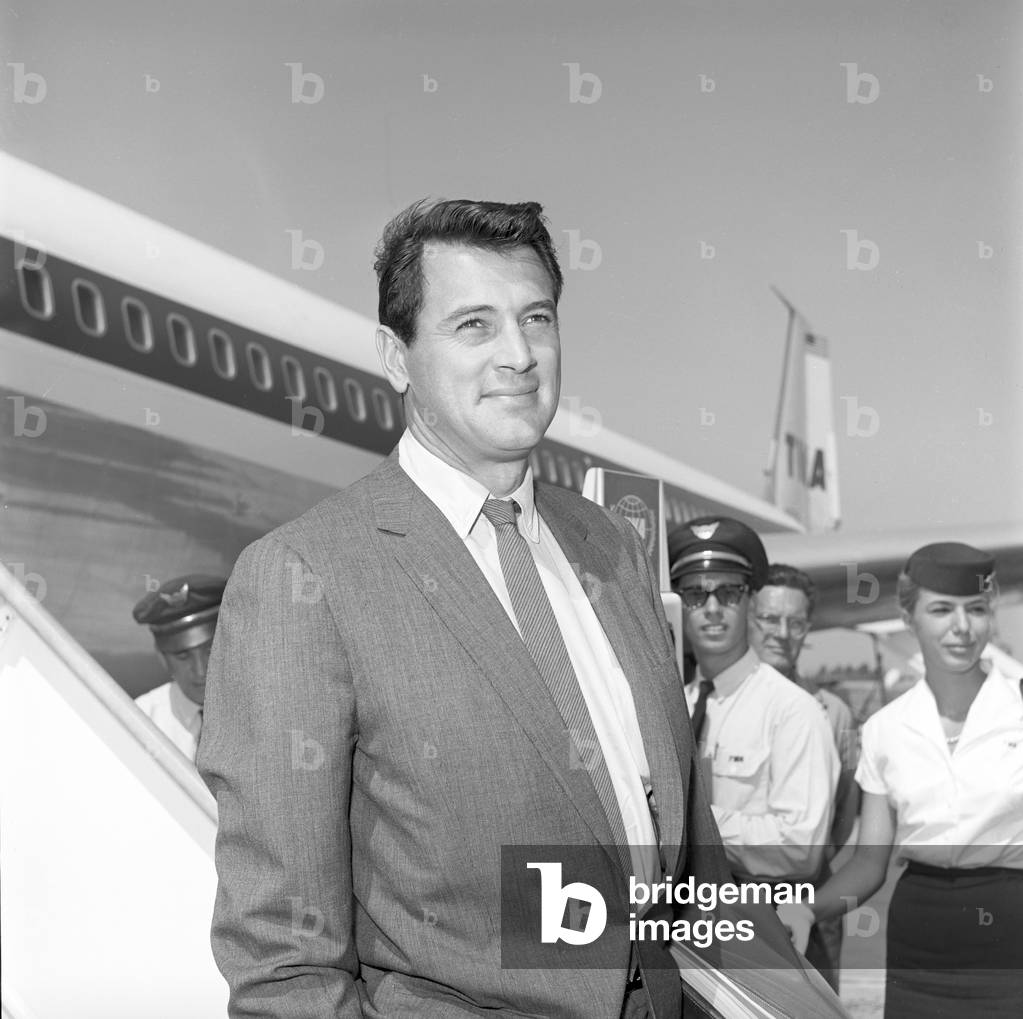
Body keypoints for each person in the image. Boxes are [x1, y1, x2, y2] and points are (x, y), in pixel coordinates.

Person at [197, 199, 733, 1019]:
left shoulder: (610, 549)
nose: (518, 354)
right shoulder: (303, 577)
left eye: (536, 318)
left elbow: (689, 847)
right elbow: (282, 959)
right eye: (474, 325)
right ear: (396, 356)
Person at [778, 542, 1023, 1017]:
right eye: (941, 610)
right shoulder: (887, 729)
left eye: (975, 609)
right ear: (909, 619)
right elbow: (869, 866)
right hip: (920, 943)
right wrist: (810, 909)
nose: (961, 627)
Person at [668, 518, 838, 886]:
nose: (712, 608)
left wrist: (687, 823)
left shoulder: (792, 710)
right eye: (695, 595)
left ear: (750, 601)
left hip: (756, 922)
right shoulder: (672, 707)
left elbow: (800, 848)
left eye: (728, 593)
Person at [748, 563, 860, 989]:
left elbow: (844, 813)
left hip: (808, 894)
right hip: (732, 899)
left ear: (808, 628)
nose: (781, 632)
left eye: (795, 622)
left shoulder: (834, 714)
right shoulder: (714, 705)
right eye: (769, 619)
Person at [132, 573, 225, 763]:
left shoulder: (268, 710)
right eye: (183, 656)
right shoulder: (143, 719)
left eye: (210, 650)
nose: (200, 670)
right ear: (162, 658)